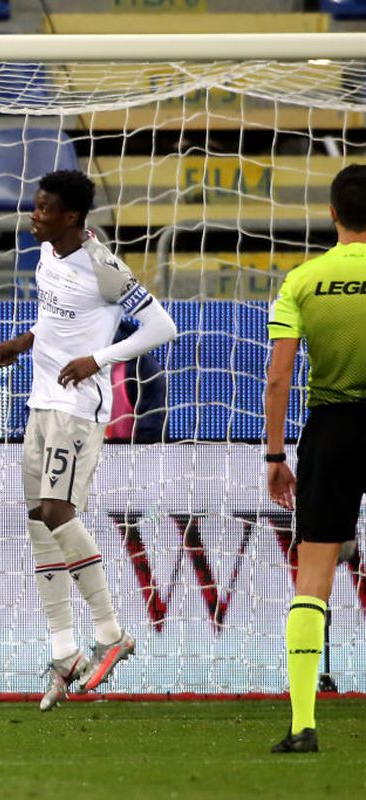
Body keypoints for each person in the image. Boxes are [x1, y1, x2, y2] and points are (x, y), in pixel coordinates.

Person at [0, 170, 178, 711]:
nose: (33, 214)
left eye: (43, 208)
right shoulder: (48, 255)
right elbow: (54, 316)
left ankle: (111, 634)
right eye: (35, 205)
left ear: (71, 216)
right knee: (39, 526)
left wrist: (100, 358)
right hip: (40, 402)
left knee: (55, 510)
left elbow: (162, 327)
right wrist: (24, 341)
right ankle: (64, 650)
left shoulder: (104, 265)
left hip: (78, 408)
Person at [264, 163, 366, 754]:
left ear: (332, 214)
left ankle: (304, 724)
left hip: (330, 432)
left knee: (314, 581)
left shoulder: (303, 280)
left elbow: (279, 377)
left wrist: (276, 454)